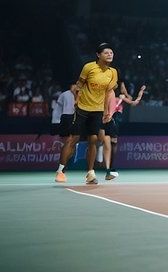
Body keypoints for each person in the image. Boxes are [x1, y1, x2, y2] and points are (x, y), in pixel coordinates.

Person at [55, 43, 119, 185]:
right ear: (98, 55)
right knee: (73, 139)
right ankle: (60, 171)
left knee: (93, 140)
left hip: (97, 111)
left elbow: (109, 92)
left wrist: (109, 111)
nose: (110, 55)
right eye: (106, 52)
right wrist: (77, 99)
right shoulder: (89, 67)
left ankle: (90, 173)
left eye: (111, 52)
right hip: (83, 108)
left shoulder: (113, 72)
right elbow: (79, 85)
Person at [100, 82, 145, 181]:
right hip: (114, 118)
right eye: (122, 86)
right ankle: (110, 167)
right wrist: (141, 91)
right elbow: (135, 102)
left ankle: (107, 167)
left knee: (109, 143)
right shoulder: (120, 97)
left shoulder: (108, 94)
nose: (124, 87)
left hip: (107, 118)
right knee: (112, 143)